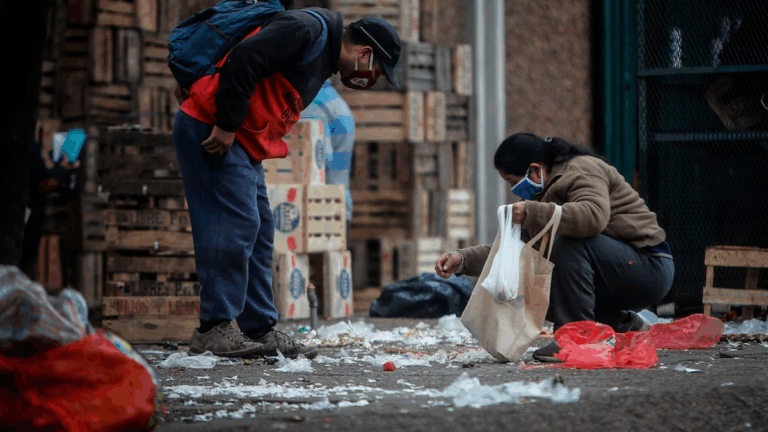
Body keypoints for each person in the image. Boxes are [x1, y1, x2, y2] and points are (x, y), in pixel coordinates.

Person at [171, 6, 402, 359]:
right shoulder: (306, 30)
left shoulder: (321, 56)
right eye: (377, 72)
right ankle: (212, 329)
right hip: (215, 131)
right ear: (365, 54)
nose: (371, 79)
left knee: (261, 231)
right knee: (232, 227)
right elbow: (244, 59)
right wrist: (227, 124)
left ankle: (259, 329)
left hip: (243, 143)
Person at [435, 133, 674, 362]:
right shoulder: (543, 197)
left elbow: (593, 217)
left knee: (568, 243)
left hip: (649, 267)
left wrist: (534, 212)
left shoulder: (582, 169)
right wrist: (463, 259)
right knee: (533, 280)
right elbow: (513, 249)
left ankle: (577, 339)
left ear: (535, 169)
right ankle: (623, 324)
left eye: (513, 182)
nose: (513, 190)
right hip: (614, 272)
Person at [301, 79, 356, 228]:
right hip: (335, 210)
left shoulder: (312, 103)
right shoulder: (332, 99)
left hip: (322, 214)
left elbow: (318, 162)